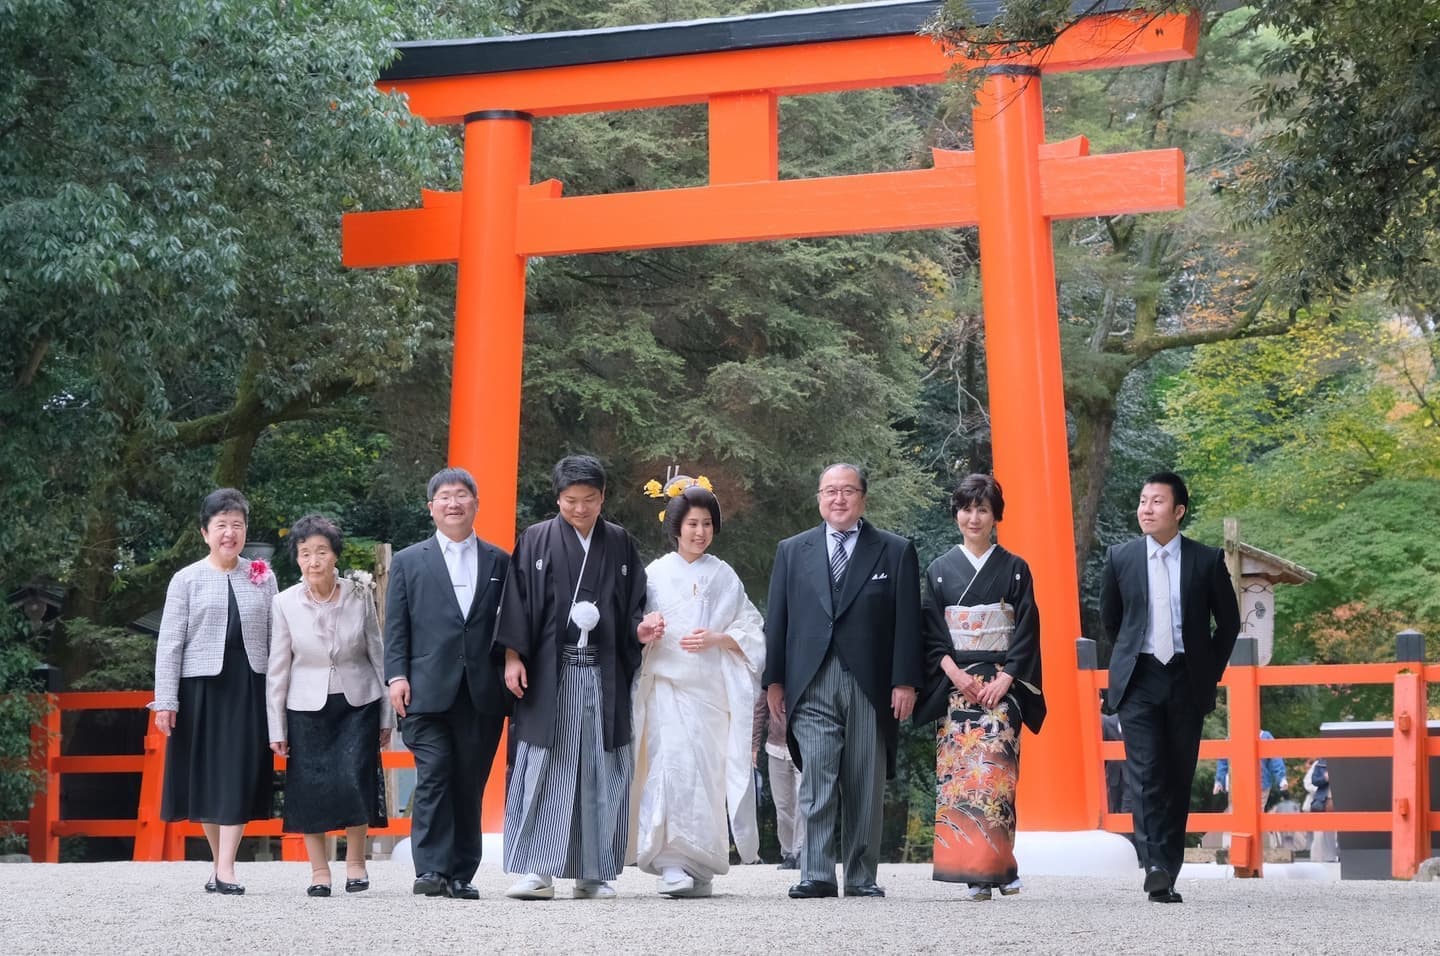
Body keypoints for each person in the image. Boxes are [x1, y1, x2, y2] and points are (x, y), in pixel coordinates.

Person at [763, 462, 922, 899]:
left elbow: (908, 623)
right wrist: (774, 680)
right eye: (830, 491)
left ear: (862, 498)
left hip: (870, 681)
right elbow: (777, 621)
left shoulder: (894, 550)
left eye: (847, 491)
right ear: (819, 498)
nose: (838, 499)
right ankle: (814, 872)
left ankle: (860, 875)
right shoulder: (793, 550)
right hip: (811, 678)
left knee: (863, 780)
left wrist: (905, 681)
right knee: (816, 774)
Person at [499, 455, 651, 901]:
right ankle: (536, 870)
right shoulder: (536, 539)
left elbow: (634, 604)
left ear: (603, 497)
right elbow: (517, 601)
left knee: (601, 768)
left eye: (589, 500)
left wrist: (639, 630)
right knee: (542, 765)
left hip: (603, 674)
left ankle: (595, 872)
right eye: (570, 501)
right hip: (552, 671)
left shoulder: (620, 542)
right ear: (557, 498)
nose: (580, 509)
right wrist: (512, 656)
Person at [1101, 471, 1240, 904]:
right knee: (1143, 774)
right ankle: (1154, 865)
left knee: (1177, 775)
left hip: (1186, 677)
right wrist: (1129, 657)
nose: (1146, 508)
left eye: (1157, 502)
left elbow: (1229, 623)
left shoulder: (1205, 559)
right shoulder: (1120, 558)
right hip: (1139, 677)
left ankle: (1169, 871)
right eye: (1143, 501)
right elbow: (1113, 621)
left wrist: (1207, 671)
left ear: (1178, 511)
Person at [632, 478, 765, 897]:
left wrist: (719, 639)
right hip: (668, 688)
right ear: (676, 527)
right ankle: (671, 861)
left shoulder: (724, 576)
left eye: (707, 524)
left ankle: (700, 862)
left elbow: (751, 628)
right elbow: (635, 624)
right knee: (671, 769)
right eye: (692, 523)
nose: (699, 532)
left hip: (711, 695)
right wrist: (646, 630)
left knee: (706, 777)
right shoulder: (654, 573)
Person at [915, 474, 1045, 901]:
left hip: (1002, 689)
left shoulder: (1015, 569)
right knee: (960, 781)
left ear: (995, 516)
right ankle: (973, 871)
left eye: (983, 509)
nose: (974, 517)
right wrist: (956, 675)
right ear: (957, 514)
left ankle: (1000, 866)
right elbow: (932, 634)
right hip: (957, 690)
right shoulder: (938, 571)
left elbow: (1027, 630)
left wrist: (1006, 678)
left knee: (997, 778)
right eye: (967, 509)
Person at [384, 467, 509, 900]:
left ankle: (461, 873)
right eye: (444, 497)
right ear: (431, 507)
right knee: (435, 771)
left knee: (468, 780)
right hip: (424, 688)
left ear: (475, 503)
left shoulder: (499, 561)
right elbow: (396, 627)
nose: (453, 503)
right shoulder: (408, 561)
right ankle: (431, 869)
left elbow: (509, 624)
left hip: (481, 690)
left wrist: (511, 663)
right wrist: (396, 675)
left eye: (461, 496)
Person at [151, 488, 277, 895]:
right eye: (221, 525)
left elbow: (278, 636)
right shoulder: (186, 579)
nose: (230, 533)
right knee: (207, 777)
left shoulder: (262, 574)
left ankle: (226, 868)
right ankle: (219, 864)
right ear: (205, 532)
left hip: (249, 684)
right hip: (200, 687)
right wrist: (166, 701)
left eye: (237, 525)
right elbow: (169, 642)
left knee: (239, 771)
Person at [267, 514, 393, 896]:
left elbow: (378, 654)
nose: (314, 560)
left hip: (359, 701)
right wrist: (277, 728)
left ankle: (356, 863)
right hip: (306, 705)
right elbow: (278, 668)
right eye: (305, 553)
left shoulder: (358, 593)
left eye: (321, 551)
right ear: (298, 559)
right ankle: (319, 871)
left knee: (356, 781)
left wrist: (387, 715)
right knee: (310, 787)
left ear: (335, 555)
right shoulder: (284, 602)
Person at [752, 691, 805, 870]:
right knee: (782, 807)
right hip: (775, 748)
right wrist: (754, 746)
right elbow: (760, 711)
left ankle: (800, 852)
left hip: (802, 746)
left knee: (802, 801)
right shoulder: (772, 680)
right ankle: (788, 853)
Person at [1215, 729, 1289, 849]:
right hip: (1238, 784)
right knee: (1234, 812)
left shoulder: (1264, 736)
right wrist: (1219, 780)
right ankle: (1231, 846)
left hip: (1260, 784)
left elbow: (1276, 758)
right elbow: (1223, 760)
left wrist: (1281, 777)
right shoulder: (1231, 737)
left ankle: (1257, 846)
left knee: (1256, 814)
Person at [1303, 757, 1337, 862]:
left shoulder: (1348, 762)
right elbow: (1309, 782)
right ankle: (1318, 859)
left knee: (1336, 832)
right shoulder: (1320, 763)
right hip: (1324, 800)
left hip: (1339, 801)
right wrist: (1325, 779)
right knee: (1320, 832)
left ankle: (1333, 857)